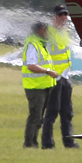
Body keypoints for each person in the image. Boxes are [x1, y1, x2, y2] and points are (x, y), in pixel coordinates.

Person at [41, 4, 79, 149]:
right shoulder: (49, 33)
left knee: (67, 112)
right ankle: (47, 143)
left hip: (65, 77)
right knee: (52, 111)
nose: (64, 18)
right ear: (54, 18)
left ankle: (69, 142)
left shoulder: (65, 33)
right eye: (60, 15)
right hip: (54, 78)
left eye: (65, 15)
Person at [21, 20, 56, 149]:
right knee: (35, 116)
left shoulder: (41, 44)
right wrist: (48, 71)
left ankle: (33, 142)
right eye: (46, 29)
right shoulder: (33, 44)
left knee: (39, 117)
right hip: (35, 87)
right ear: (40, 30)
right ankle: (29, 144)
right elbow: (31, 66)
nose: (48, 32)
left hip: (43, 86)